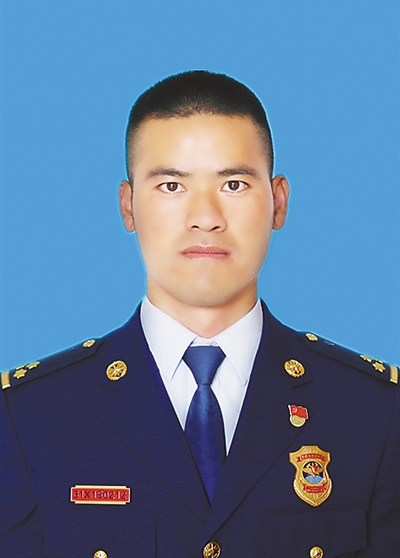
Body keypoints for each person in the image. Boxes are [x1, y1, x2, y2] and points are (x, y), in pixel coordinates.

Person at [0, 71, 398, 558]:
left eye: (234, 184)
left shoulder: (374, 412)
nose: (206, 217)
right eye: (171, 185)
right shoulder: (28, 418)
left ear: (278, 202)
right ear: (128, 207)